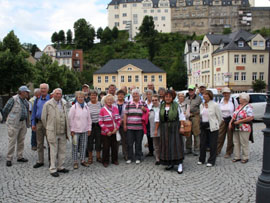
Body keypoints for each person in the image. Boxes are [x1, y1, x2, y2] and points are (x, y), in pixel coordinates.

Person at [41, 88, 70, 177]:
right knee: (53, 151)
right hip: (53, 131)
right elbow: (43, 118)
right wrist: (49, 128)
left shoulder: (64, 103)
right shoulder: (48, 104)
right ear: (53, 94)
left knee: (62, 150)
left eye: (60, 94)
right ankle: (53, 168)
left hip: (63, 131)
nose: (58, 95)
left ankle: (60, 166)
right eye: (56, 93)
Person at [156, 90, 185, 174]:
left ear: (172, 97)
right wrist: (155, 130)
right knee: (166, 145)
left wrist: (182, 127)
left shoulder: (176, 105)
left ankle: (179, 164)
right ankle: (170, 163)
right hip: (164, 128)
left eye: (169, 96)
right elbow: (157, 118)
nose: (168, 98)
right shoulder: (161, 106)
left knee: (176, 145)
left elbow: (181, 117)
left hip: (175, 127)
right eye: (166, 96)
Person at [2, 86, 31, 167]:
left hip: (23, 123)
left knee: (21, 141)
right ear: (21, 92)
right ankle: (9, 158)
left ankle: (20, 156)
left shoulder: (25, 101)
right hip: (14, 123)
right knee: (12, 141)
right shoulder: (13, 99)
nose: (28, 93)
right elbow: (5, 110)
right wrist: (8, 120)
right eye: (26, 92)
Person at [198, 90, 222, 167]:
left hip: (212, 127)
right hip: (203, 126)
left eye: (206, 95)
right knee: (202, 144)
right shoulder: (202, 105)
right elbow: (201, 115)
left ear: (210, 96)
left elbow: (219, 117)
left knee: (212, 144)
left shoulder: (215, 105)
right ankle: (201, 159)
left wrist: (216, 125)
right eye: (204, 94)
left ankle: (211, 160)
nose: (204, 96)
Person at [68, 91, 92, 169]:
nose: (81, 98)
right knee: (75, 146)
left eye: (82, 97)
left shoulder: (86, 107)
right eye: (79, 97)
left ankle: (82, 160)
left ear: (84, 98)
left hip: (84, 130)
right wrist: (72, 129)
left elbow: (89, 119)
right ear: (77, 98)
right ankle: (75, 161)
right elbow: (70, 119)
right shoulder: (73, 107)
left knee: (83, 145)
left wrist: (89, 128)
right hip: (75, 131)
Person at [124, 89, 148, 164]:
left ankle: (138, 157)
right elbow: (125, 115)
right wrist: (125, 124)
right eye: (133, 94)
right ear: (132, 95)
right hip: (130, 127)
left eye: (136, 94)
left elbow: (148, 112)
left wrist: (145, 110)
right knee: (130, 143)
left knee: (138, 143)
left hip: (140, 127)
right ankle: (130, 157)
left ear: (139, 95)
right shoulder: (128, 103)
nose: (135, 95)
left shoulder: (143, 103)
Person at [229, 93, 254, 164]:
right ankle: (237, 156)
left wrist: (240, 121)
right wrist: (231, 123)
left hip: (244, 127)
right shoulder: (239, 106)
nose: (239, 99)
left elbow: (251, 117)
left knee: (244, 142)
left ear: (244, 99)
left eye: (240, 98)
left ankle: (245, 157)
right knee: (236, 142)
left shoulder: (248, 107)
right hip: (236, 126)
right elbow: (234, 115)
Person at [32, 83, 51, 169]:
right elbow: (34, 112)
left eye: (44, 88)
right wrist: (33, 124)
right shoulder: (37, 99)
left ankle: (51, 161)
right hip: (38, 123)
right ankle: (40, 161)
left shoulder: (51, 98)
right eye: (41, 88)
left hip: (48, 123)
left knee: (50, 143)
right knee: (39, 143)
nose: (43, 90)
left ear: (47, 90)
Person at [99, 94, 121, 167]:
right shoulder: (102, 109)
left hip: (114, 131)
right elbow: (100, 121)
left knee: (114, 147)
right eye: (108, 100)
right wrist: (107, 131)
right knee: (106, 147)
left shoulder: (115, 108)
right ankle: (105, 161)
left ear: (113, 101)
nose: (109, 101)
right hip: (106, 133)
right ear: (105, 101)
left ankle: (115, 160)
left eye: (111, 100)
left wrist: (116, 128)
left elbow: (118, 119)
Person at [217, 87, 239, 158]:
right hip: (222, 120)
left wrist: (234, 120)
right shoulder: (220, 100)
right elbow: (218, 110)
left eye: (227, 93)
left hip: (231, 120)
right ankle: (217, 150)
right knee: (220, 136)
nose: (226, 94)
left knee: (230, 137)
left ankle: (229, 152)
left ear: (229, 93)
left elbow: (236, 110)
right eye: (224, 93)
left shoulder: (233, 100)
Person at [185, 85, 202, 156]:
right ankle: (188, 148)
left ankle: (197, 149)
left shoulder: (198, 98)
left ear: (194, 90)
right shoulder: (186, 98)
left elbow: (201, 108)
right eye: (189, 90)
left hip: (195, 117)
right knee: (188, 133)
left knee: (196, 133)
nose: (190, 91)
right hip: (188, 118)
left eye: (192, 90)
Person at [87, 90, 102, 164]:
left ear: (97, 96)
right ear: (89, 96)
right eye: (92, 95)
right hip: (90, 126)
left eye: (94, 95)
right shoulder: (87, 105)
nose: (93, 96)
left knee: (98, 141)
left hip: (98, 125)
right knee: (90, 141)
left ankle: (98, 156)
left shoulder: (100, 104)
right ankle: (90, 157)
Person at [116, 89, 128, 160]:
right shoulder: (114, 103)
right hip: (116, 123)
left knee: (125, 140)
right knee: (116, 140)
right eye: (119, 94)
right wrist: (118, 120)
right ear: (117, 96)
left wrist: (123, 120)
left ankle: (125, 154)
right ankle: (115, 154)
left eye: (122, 94)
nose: (120, 96)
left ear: (124, 96)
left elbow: (128, 113)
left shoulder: (127, 103)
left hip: (124, 123)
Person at [149, 95, 160, 165]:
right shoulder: (151, 109)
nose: (154, 101)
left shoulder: (162, 108)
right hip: (153, 129)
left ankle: (163, 157)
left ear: (158, 100)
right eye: (153, 100)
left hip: (161, 129)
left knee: (163, 144)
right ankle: (157, 158)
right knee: (156, 145)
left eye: (156, 100)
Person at [145, 89, 154, 157]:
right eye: (147, 94)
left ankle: (155, 150)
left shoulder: (154, 102)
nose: (148, 96)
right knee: (148, 136)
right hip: (147, 121)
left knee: (154, 136)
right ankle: (150, 151)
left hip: (153, 121)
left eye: (150, 94)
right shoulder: (144, 103)